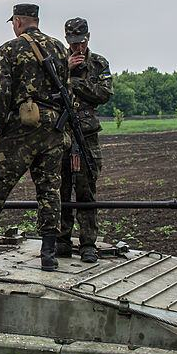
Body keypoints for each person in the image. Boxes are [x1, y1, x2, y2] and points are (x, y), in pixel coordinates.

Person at [0, 3, 71, 271]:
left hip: (23, 126)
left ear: (18, 21)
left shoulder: (10, 48)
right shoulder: (59, 48)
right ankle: (49, 255)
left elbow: (1, 93)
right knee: (50, 190)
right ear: (36, 21)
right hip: (54, 128)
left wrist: (0, 131)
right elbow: (68, 90)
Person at [57, 17, 113, 264]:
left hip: (87, 136)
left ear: (88, 38)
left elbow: (104, 94)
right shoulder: (58, 61)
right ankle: (62, 239)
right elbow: (46, 90)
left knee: (86, 191)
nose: (77, 47)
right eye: (72, 42)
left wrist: (73, 82)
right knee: (61, 189)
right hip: (62, 135)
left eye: (80, 42)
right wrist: (65, 70)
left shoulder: (99, 63)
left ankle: (88, 244)